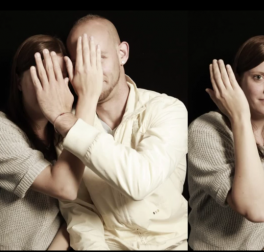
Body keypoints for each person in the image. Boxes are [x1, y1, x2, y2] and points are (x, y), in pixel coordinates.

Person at [51, 14, 188, 250]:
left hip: (168, 244)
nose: (90, 72)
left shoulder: (167, 108)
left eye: (98, 58)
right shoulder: (69, 126)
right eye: (81, 62)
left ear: (122, 54)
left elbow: (141, 181)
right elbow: (79, 209)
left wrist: (70, 126)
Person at [188, 35, 264, 250]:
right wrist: (240, 118)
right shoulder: (205, 130)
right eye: (258, 77)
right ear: (237, 80)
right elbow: (255, 209)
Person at [0, 34, 91, 250]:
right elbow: (64, 187)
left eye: (59, 75)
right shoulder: (1, 130)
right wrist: (87, 97)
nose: (51, 85)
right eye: (42, 74)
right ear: (19, 81)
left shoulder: (64, 133)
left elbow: (79, 211)